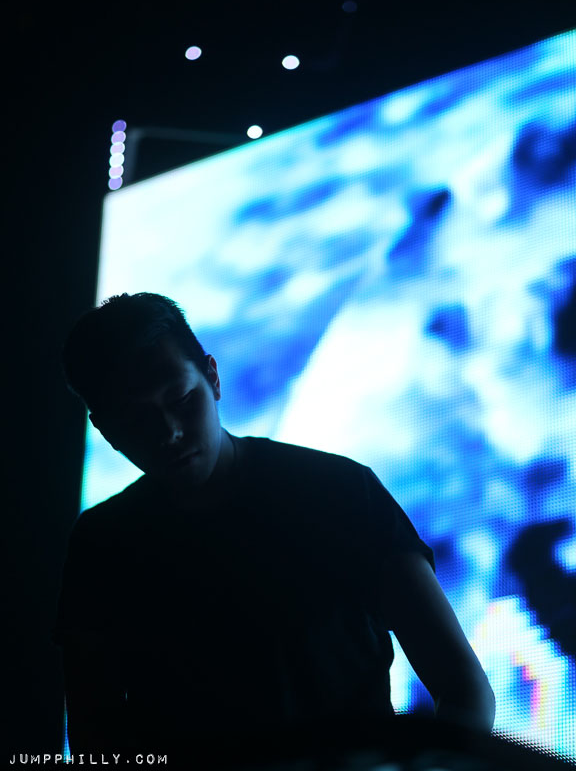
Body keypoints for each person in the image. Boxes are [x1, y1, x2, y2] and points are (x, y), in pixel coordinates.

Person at [54, 292, 495, 764]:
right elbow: (93, 738)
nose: (169, 432)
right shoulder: (100, 547)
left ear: (213, 377)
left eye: (181, 400)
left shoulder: (340, 492)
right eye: (137, 420)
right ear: (107, 431)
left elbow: (464, 690)